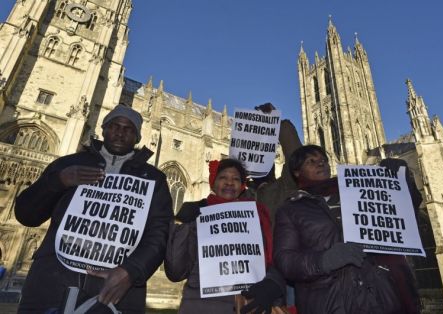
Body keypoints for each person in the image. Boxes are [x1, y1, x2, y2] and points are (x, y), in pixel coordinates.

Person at [15, 104, 173, 313]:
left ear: (138, 137)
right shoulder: (69, 164)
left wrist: (131, 271)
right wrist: (59, 181)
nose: (120, 132)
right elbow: (26, 215)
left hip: (114, 290)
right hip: (52, 282)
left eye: (129, 129)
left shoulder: (153, 178)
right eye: (115, 125)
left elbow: (160, 233)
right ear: (103, 129)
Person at [273, 144, 421, 314]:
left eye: (323, 160)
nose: (320, 164)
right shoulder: (291, 209)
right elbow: (285, 260)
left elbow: (404, 222)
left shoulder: (361, 191)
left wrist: (400, 183)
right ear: (297, 172)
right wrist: (324, 260)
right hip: (332, 302)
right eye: (311, 161)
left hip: (383, 298)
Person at [164, 158, 285, 314]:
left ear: (242, 186)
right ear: (213, 183)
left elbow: (270, 260)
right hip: (200, 305)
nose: (229, 182)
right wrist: (182, 226)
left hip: (245, 304)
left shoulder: (255, 218)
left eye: (236, 179)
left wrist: (272, 283)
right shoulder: (196, 215)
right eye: (223, 178)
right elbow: (175, 272)